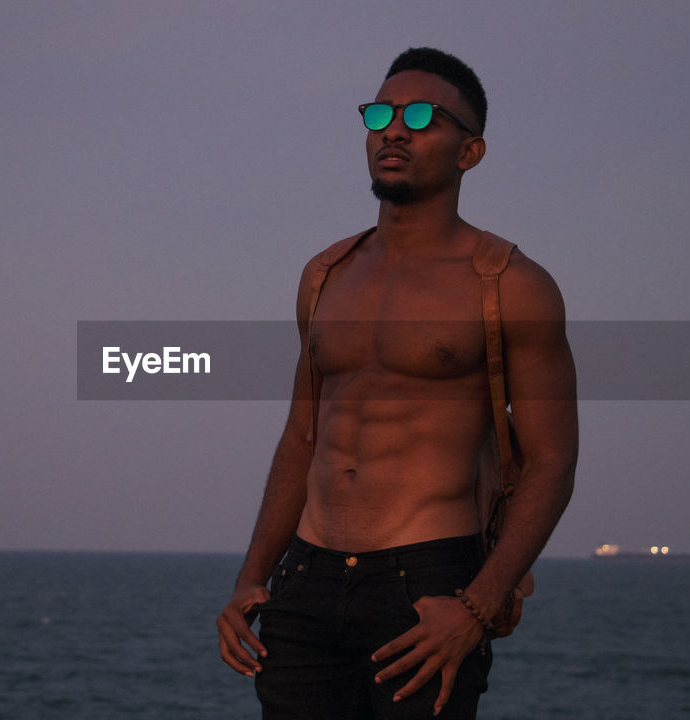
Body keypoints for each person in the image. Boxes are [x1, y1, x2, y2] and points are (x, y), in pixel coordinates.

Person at [216, 47, 578, 719]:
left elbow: (552, 461)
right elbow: (302, 436)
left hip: (428, 584)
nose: (394, 129)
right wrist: (251, 577)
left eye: (421, 116)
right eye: (380, 112)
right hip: (306, 578)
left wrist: (477, 606)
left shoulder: (511, 285)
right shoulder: (325, 275)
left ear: (469, 152)